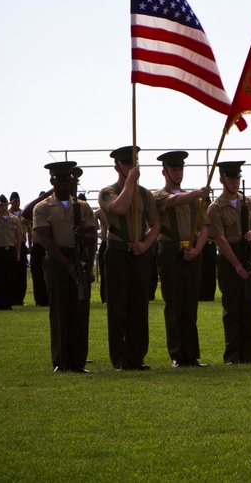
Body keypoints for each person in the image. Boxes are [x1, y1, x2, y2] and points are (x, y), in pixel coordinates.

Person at [27, 161, 96, 373]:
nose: (66, 183)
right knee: (59, 312)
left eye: (69, 179)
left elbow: (92, 235)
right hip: (57, 261)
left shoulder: (82, 206)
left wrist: (88, 263)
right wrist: (67, 265)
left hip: (79, 259)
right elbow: (46, 240)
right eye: (61, 179)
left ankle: (78, 362)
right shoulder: (43, 207)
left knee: (79, 312)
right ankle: (61, 361)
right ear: (52, 181)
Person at [98, 146, 160, 371]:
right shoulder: (107, 192)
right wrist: (130, 182)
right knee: (117, 308)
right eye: (127, 164)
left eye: (135, 163)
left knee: (138, 307)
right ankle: (120, 358)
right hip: (117, 253)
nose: (133, 167)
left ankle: (137, 356)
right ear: (117, 167)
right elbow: (120, 208)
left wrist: (145, 244)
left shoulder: (145, 194)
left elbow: (156, 224)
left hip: (139, 253)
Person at [154, 150, 210, 368]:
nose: (178, 173)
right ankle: (177, 354)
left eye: (180, 169)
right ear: (164, 171)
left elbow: (205, 227)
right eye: (174, 169)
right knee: (174, 305)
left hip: (191, 253)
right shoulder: (160, 195)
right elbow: (175, 200)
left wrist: (197, 250)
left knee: (190, 305)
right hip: (169, 253)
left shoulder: (194, 198)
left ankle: (191, 354)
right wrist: (197, 192)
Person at [206, 160, 251, 365]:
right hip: (229, 257)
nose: (235, 181)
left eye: (237, 177)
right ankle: (232, 354)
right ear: (222, 179)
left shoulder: (249, 203)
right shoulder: (215, 208)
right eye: (231, 178)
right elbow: (220, 239)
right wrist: (236, 265)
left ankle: (250, 353)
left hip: (249, 252)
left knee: (250, 304)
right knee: (232, 306)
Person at [21, 190, 51, 307]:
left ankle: (48, 298)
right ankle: (39, 300)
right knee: (37, 274)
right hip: (37, 245)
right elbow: (23, 219)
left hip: (48, 245)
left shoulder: (49, 211)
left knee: (48, 274)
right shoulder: (34, 212)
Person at [9, 192, 29, 306]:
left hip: (22, 244)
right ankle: (12, 298)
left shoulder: (23, 214)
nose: (17, 203)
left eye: (18, 200)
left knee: (22, 274)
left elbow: (30, 230)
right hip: (12, 245)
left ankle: (20, 299)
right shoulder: (7, 213)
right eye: (14, 200)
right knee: (12, 273)